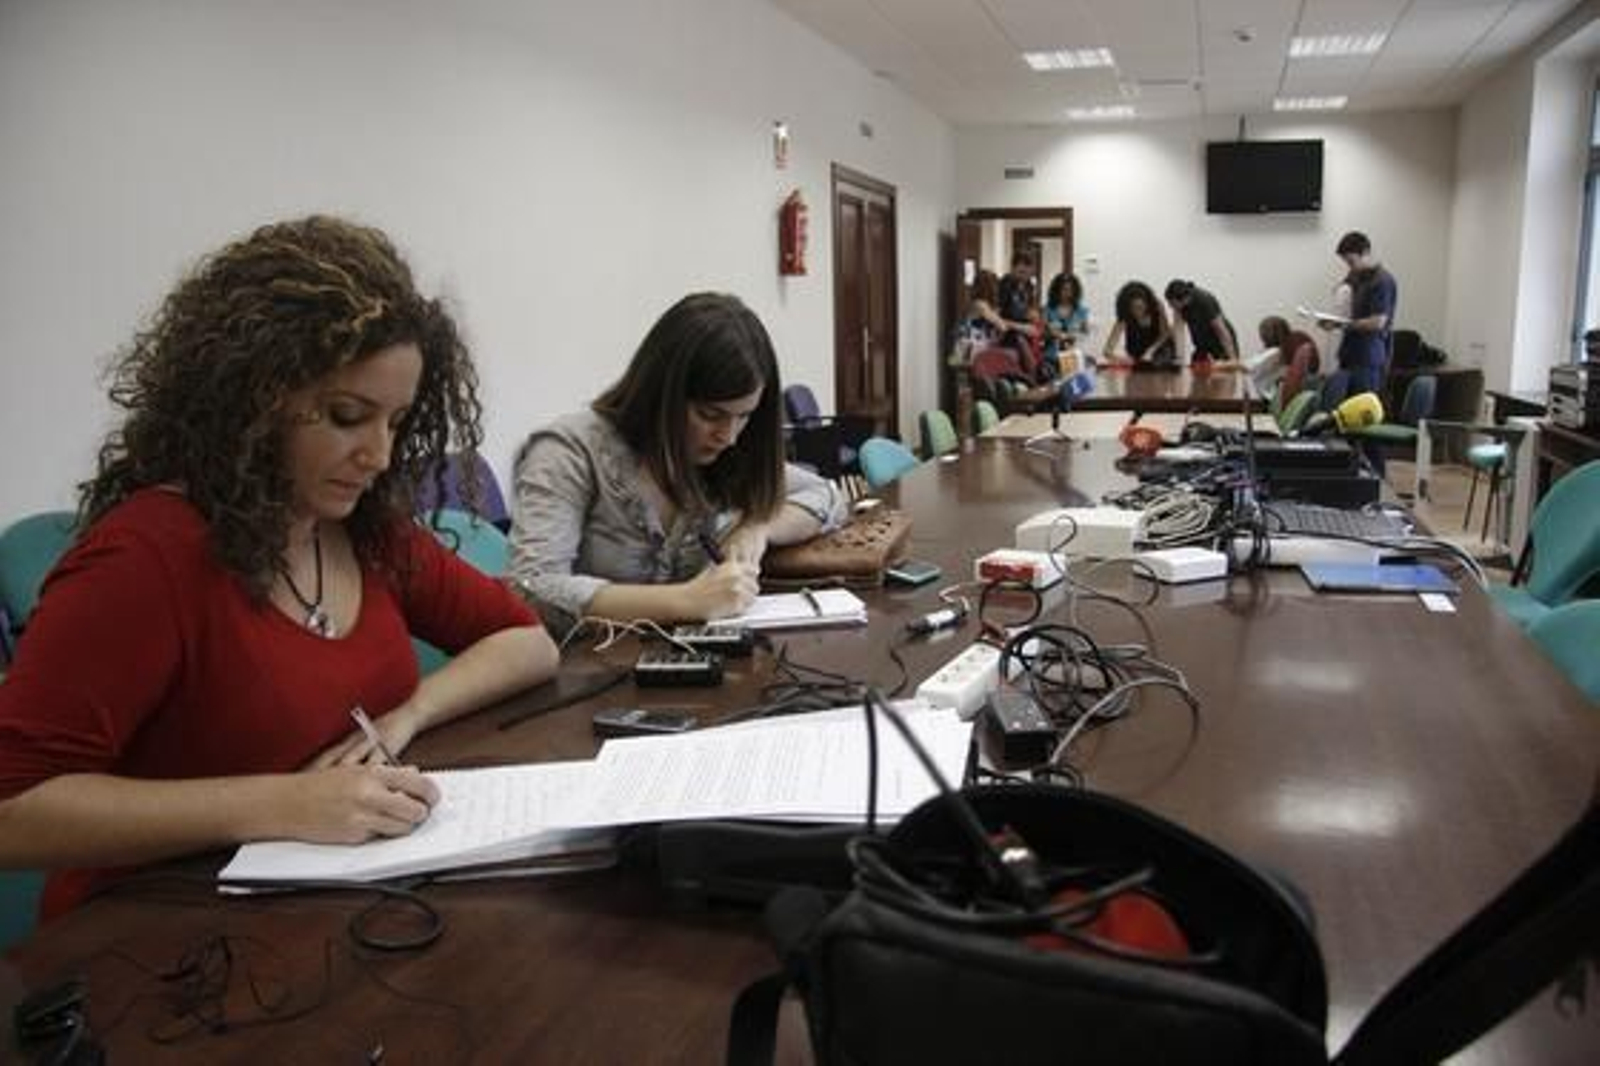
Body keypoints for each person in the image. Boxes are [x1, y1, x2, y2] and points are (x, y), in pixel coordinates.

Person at [0, 216, 559, 920]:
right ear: (252, 400)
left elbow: (528, 643)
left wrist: (406, 715)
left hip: (328, 904)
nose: (381, 456)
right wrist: (282, 803)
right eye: (347, 415)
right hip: (156, 935)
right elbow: (13, 810)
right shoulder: (144, 557)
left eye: (395, 421)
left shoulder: (363, 531)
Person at [510, 293, 848, 636]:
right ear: (660, 393)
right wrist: (686, 601)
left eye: (744, 416)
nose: (729, 437)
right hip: (589, 664)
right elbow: (532, 587)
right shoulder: (569, 451)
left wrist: (757, 527)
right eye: (709, 415)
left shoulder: (728, 452)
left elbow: (826, 495)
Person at [1322, 231, 1398, 394]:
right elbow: (1342, 296)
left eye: (1351, 261)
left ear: (1366, 253)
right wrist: (1331, 321)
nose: (1349, 267)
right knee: (1346, 405)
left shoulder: (1382, 281)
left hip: (1367, 359)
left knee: (1362, 406)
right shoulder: (1356, 276)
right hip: (1349, 354)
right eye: (1346, 262)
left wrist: (1343, 325)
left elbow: (1378, 322)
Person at [1233, 315, 1320, 401]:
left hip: (1266, 398)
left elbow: (1247, 366)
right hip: (1263, 393)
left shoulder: (1275, 352)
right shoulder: (1277, 351)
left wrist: (1225, 365)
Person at [1162, 279, 1239, 364]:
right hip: (1202, 341)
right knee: (1197, 366)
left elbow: (1221, 332)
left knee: (1227, 367)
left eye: (1172, 304)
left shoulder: (1205, 301)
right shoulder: (1178, 307)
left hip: (1220, 340)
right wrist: (1180, 358)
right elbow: (1179, 331)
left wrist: (1233, 360)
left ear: (1183, 299)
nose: (1170, 306)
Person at [1101, 280, 1175, 366]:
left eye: (1141, 307)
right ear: (1128, 307)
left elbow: (1165, 334)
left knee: (1161, 359)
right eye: (1134, 308)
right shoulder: (1125, 314)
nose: (1138, 312)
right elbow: (1107, 350)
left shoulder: (1157, 306)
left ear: (1147, 303)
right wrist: (1120, 359)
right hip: (1137, 351)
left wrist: (1150, 351)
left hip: (1159, 347)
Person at [1043, 272, 1092, 374]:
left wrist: (1075, 335)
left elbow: (1086, 334)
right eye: (1064, 289)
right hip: (1052, 357)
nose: (1067, 293)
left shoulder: (1081, 311)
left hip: (1074, 356)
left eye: (1070, 290)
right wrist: (1051, 333)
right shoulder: (1048, 310)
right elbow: (1043, 332)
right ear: (1056, 290)